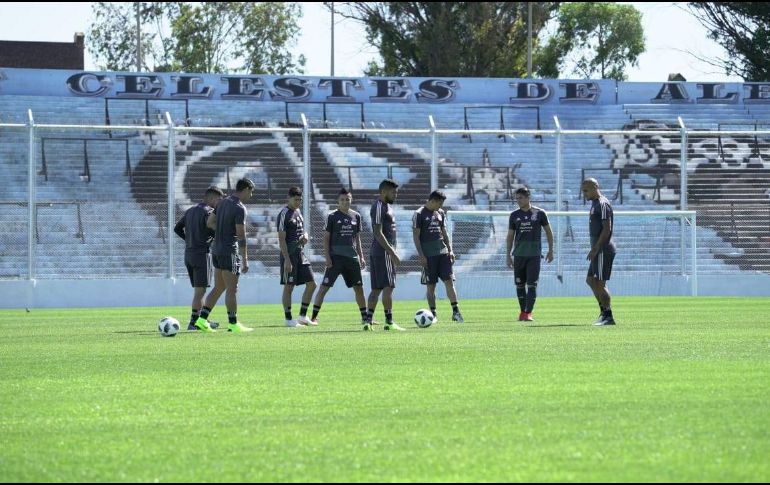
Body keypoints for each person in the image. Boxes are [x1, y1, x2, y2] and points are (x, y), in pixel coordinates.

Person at [194, 178, 255, 333]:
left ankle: (201, 320)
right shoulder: (239, 208)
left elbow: (210, 222)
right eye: (251, 192)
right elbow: (241, 236)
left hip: (217, 250)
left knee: (219, 287)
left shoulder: (221, 203)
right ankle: (233, 324)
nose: (251, 195)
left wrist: (222, 231)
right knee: (232, 289)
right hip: (229, 251)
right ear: (246, 189)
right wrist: (245, 259)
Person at [310, 187, 368, 325]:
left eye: (347, 199)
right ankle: (313, 317)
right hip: (335, 258)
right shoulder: (332, 216)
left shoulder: (356, 216)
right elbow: (326, 238)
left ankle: (365, 317)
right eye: (342, 200)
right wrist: (327, 257)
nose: (345, 202)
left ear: (351, 200)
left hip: (352, 259)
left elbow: (357, 238)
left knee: (359, 288)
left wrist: (361, 256)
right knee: (324, 287)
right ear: (338, 201)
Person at [174, 186, 225, 331]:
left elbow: (177, 228)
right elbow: (213, 229)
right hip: (202, 254)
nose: (219, 203)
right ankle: (194, 323)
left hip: (189, 254)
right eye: (219, 200)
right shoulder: (209, 212)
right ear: (212, 198)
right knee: (200, 292)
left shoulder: (190, 211)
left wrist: (189, 240)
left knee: (199, 290)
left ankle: (203, 320)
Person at [412, 190, 464, 323]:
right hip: (429, 256)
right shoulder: (419, 214)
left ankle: (456, 312)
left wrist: (450, 250)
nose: (441, 206)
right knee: (431, 286)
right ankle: (433, 315)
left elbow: (444, 233)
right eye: (440, 203)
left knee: (449, 282)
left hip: (443, 254)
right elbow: (416, 237)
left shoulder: (440, 213)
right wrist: (421, 256)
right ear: (433, 201)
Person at [506, 186, 554, 322]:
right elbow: (510, 236)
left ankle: (528, 313)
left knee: (532, 285)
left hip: (534, 255)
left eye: (521, 198)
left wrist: (551, 250)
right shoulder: (514, 215)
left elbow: (549, 232)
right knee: (519, 285)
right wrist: (508, 255)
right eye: (517, 198)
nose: (518, 201)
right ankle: (522, 312)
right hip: (519, 255)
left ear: (528, 198)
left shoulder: (539, 213)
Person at [365, 179, 404, 331]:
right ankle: (389, 321)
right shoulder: (379, 206)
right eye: (393, 192)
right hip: (383, 252)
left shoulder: (386, 206)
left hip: (379, 252)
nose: (396, 195)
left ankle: (367, 321)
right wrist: (392, 252)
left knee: (376, 288)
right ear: (383, 192)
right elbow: (377, 232)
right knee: (388, 286)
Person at [278, 186, 317, 327]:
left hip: (300, 253)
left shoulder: (298, 212)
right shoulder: (284, 214)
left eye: (300, 200)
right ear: (288, 198)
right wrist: (287, 260)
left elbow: (302, 231)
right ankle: (288, 319)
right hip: (289, 254)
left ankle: (302, 316)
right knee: (289, 286)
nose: (298, 202)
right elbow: (281, 239)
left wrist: (305, 236)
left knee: (312, 284)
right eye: (295, 200)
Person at [581, 178, 617, 326]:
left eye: (586, 190)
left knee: (600, 283)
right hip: (597, 250)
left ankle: (608, 316)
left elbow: (607, 228)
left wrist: (596, 248)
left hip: (603, 249)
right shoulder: (594, 204)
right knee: (590, 280)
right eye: (583, 191)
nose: (584, 193)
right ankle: (603, 312)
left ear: (595, 187)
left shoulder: (602, 204)